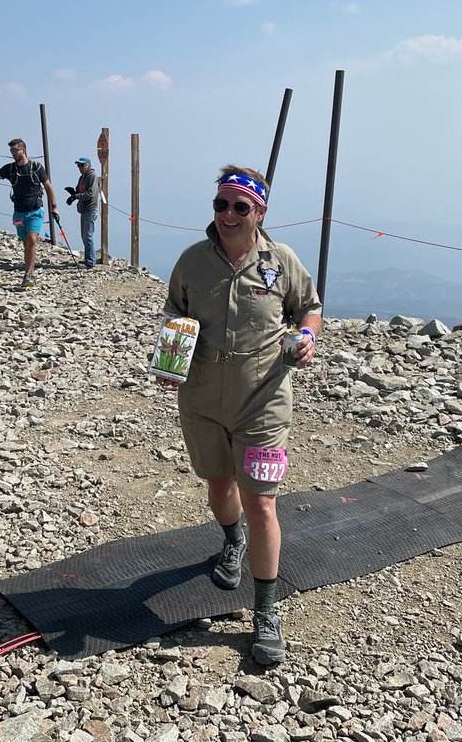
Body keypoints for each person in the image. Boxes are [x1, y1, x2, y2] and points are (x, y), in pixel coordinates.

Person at [160, 165, 322, 666]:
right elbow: (174, 311)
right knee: (219, 486)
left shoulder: (282, 260)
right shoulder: (192, 260)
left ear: (260, 213)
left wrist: (309, 337)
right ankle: (232, 543)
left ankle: (265, 611)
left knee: (263, 503)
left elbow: (310, 307)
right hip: (203, 398)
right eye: (220, 204)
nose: (227, 214)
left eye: (239, 206)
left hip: (265, 399)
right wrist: (170, 356)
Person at [0, 139, 59, 289]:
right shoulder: (10, 169)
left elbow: (48, 187)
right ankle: (29, 271)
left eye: (15, 151)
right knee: (26, 242)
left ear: (23, 150)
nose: (13, 154)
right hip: (19, 214)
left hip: (35, 210)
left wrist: (54, 207)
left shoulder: (36, 167)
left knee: (32, 239)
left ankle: (29, 275)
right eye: (12, 152)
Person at [65, 156, 102, 267]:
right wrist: (73, 193)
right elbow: (80, 191)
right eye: (78, 165)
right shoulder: (82, 177)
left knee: (88, 235)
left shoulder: (92, 176)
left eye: (81, 165)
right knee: (84, 236)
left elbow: (91, 193)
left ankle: (90, 262)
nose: (79, 167)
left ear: (87, 165)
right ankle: (88, 259)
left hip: (90, 209)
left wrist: (76, 196)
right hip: (84, 209)